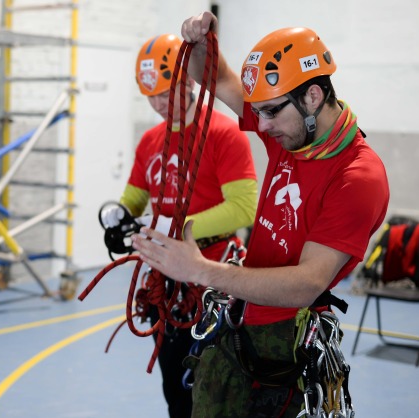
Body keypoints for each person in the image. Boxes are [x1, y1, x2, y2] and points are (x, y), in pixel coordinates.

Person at [132, 12, 390, 417]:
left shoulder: (357, 176)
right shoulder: (290, 134)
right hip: (243, 316)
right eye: (259, 112)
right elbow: (216, 80)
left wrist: (198, 269)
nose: (261, 126)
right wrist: (201, 44)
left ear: (313, 97)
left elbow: (306, 283)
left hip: (286, 341)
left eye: (270, 112)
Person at [100, 33, 258, 417]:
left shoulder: (224, 133)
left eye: (165, 93)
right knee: (175, 385)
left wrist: (178, 225)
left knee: (221, 385)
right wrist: (118, 213)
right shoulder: (151, 140)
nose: (158, 105)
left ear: (187, 83)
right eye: (150, 96)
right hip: (168, 282)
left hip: (216, 279)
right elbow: (136, 195)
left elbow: (245, 208)